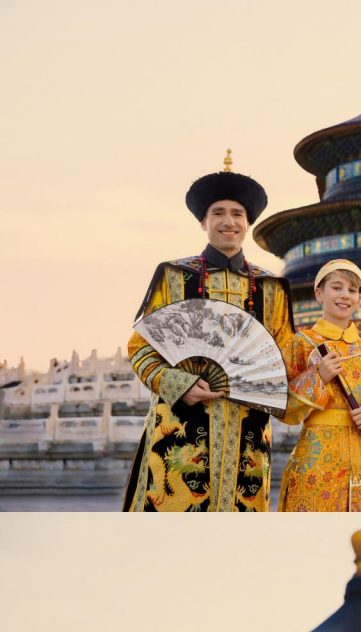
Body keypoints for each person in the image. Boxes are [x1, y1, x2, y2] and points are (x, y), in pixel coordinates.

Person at [123, 158, 294, 511]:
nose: (228, 222)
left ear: (247, 224)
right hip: (180, 431)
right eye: (218, 213)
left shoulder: (271, 288)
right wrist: (178, 384)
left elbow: (285, 356)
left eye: (237, 214)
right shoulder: (173, 277)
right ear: (204, 221)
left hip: (249, 432)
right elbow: (141, 348)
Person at [278, 259, 361, 511]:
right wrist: (317, 377)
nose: (345, 295)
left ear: (359, 297)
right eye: (337, 287)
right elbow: (281, 405)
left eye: (352, 290)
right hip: (315, 462)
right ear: (319, 293)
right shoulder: (301, 343)